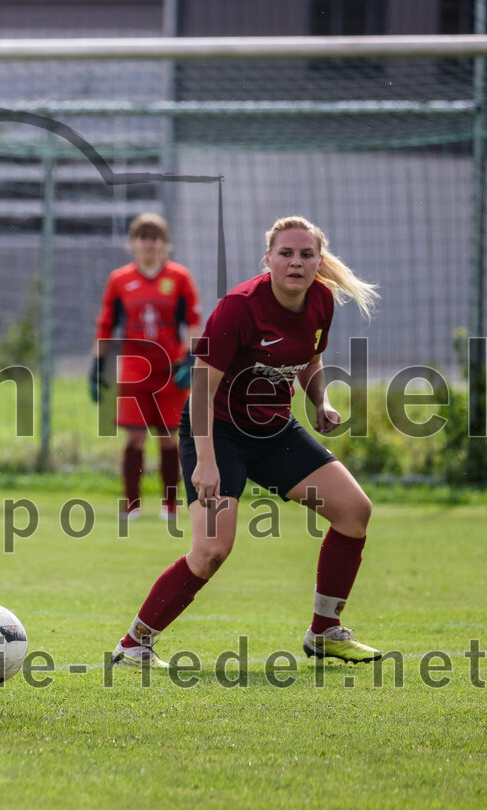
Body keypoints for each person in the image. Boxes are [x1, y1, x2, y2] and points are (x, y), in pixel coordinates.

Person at [111, 215, 383, 669]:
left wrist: (320, 402)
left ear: (318, 260)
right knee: (212, 551)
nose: (296, 262)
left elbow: (310, 361)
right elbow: (201, 387)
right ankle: (134, 644)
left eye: (306, 254)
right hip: (217, 430)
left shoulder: (321, 301)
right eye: (286, 254)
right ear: (268, 259)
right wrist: (206, 462)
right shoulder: (240, 307)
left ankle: (325, 630)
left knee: (354, 512)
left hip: (274, 432)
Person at [90, 213, 202, 521]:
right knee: (135, 437)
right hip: (134, 369)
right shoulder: (120, 280)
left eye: (155, 238)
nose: (149, 244)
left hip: (170, 368)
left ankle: (169, 504)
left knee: (169, 437)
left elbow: (192, 321)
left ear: (166, 245)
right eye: (143, 238)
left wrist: (191, 359)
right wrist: (96, 366)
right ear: (132, 244)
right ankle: (132, 504)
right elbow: (106, 324)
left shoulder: (179, 278)